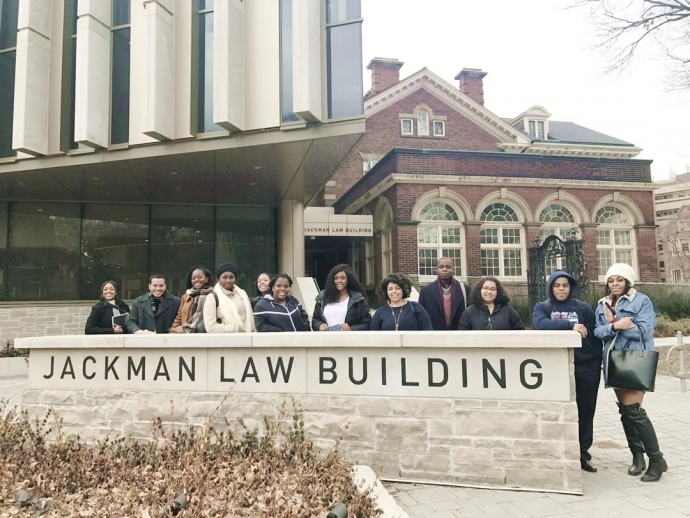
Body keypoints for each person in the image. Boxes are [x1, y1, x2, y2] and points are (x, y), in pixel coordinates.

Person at [594, 263, 667, 482]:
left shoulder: (641, 300)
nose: (614, 284)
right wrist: (616, 326)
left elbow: (644, 331)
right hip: (614, 361)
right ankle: (637, 457)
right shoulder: (602, 305)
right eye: (611, 280)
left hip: (635, 360)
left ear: (628, 281)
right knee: (625, 412)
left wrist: (621, 323)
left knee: (634, 410)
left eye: (619, 280)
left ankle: (656, 459)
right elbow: (599, 332)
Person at [532, 270, 603, 473]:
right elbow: (540, 325)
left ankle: (582, 453)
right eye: (557, 285)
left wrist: (595, 361)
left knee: (586, 410)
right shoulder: (542, 307)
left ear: (570, 287)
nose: (561, 289)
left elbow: (593, 335)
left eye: (565, 285)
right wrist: (571, 325)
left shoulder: (583, 308)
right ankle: (559, 451)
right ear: (551, 288)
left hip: (586, 366)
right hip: (556, 368)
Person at [312, 264, 371, 331]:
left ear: (348, 280)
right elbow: (315, 320)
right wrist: (319, 325)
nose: (339, 281)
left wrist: (350, 329)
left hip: (349, 340)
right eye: (336, 278)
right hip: (326, 339)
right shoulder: (322, 298)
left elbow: (367, 323)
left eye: (343, 278)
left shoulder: (358, 299)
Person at [418, 257, 471, 330]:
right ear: (436, 270)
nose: (444, 269)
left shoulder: (466, 290)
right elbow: (421, 317)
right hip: (434, 335)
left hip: (459, 333)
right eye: (441, 267)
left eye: (448, 267)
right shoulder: (426, 292)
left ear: (453, 270)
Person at [203, 263, 255, 333]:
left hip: (247, 339)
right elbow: (211, 328)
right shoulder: (212, 296)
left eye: (231, 277)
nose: (228, 280)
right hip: (224, 341)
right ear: (218, 279)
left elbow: (251, 321)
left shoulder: (242, 294)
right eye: (224, 277)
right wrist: (235, 329)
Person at [457, 276, 524, 330]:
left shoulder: (508, 310)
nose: (489, 292)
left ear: (498, 291)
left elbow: (520, 331)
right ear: (479, 290)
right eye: (486, 288)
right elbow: (463, 335)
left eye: (493, 289)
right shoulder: (469, 312)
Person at [170, 265, 214, 333]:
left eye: (199, 277)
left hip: (204, 336)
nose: (196, 280)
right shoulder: (186, 296)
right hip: (184, 335)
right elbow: (179, 317)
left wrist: (184, 328)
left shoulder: (213, 295)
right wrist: (173, 331)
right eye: (193, 278)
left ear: (207, 279)